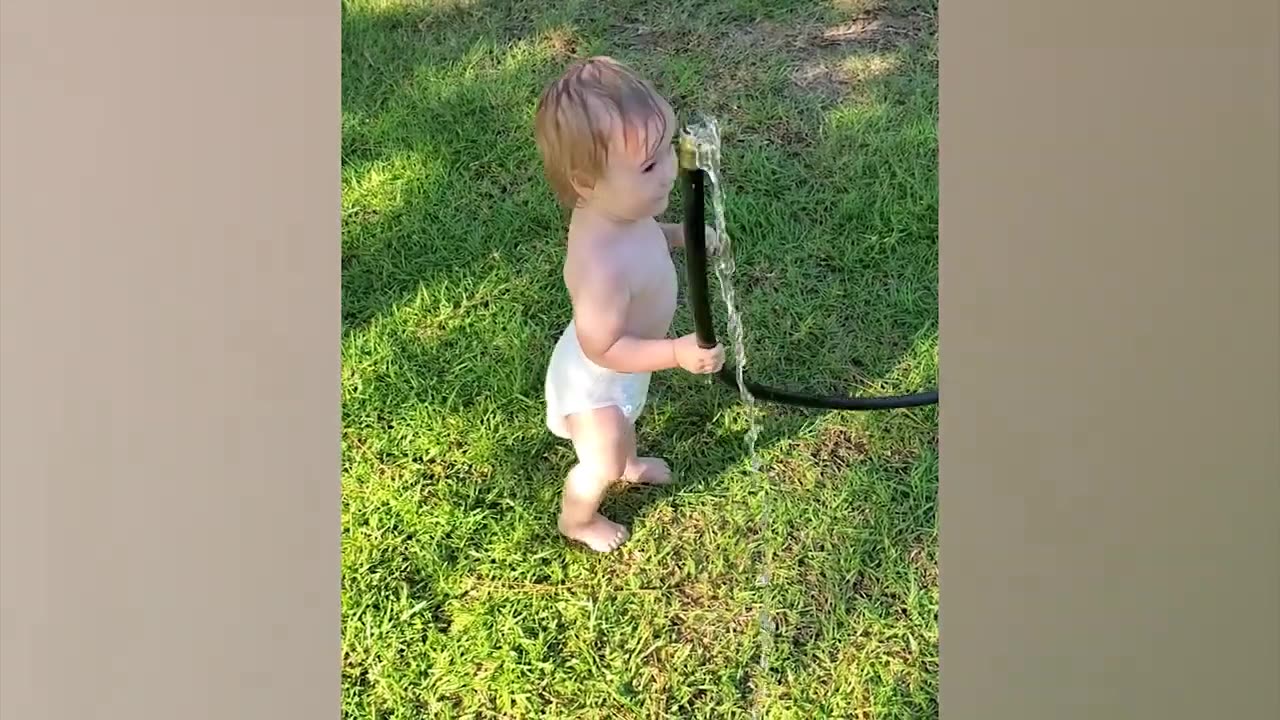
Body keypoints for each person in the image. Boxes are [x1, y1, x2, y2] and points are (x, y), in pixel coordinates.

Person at [534, 56, 726, 552]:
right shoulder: (599, 267)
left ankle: (629, 464)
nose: (668, 172)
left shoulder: (620, 209)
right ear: (585, 183)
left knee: (621, 437)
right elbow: (604, 347)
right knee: (599, 458)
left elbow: (647, 236)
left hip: (620, 370)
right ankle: (577, 520)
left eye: (666, 150)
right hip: (595, 381)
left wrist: (681, 235)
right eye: (648, 165)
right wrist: (676, 353)